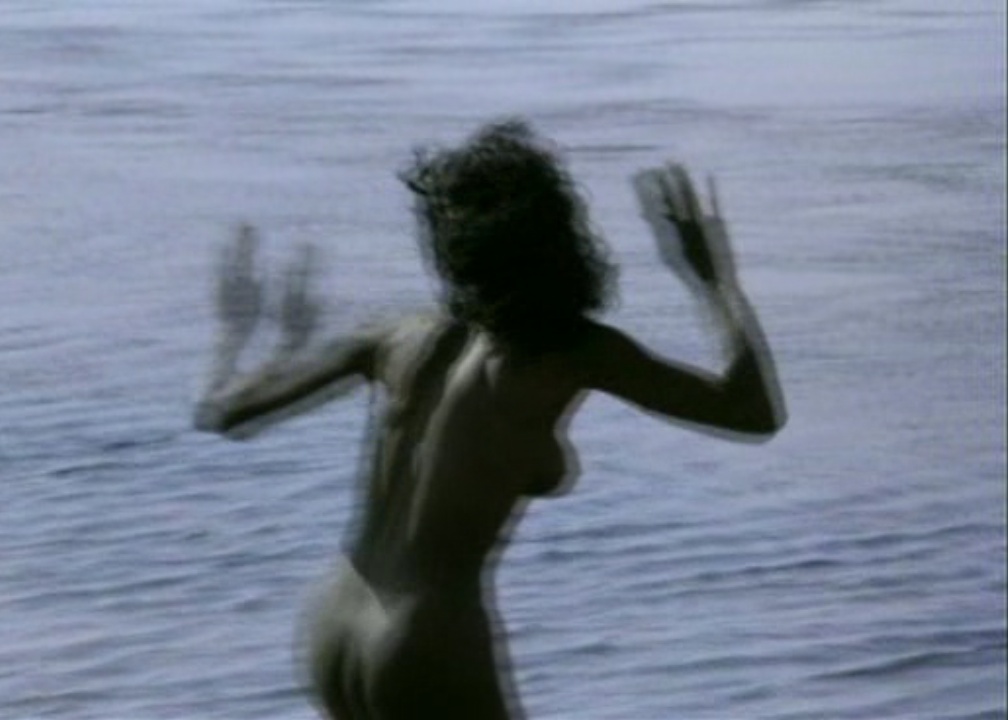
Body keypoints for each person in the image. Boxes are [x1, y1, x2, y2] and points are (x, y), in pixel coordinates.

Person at [193, 120, 785, 720]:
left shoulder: (396, 336)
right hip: (424, 636)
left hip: (334, 622)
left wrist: (236, 334)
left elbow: (224, 411)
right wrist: (715, 282)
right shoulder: (573, 353)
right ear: (556, 240)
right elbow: (751, 411)